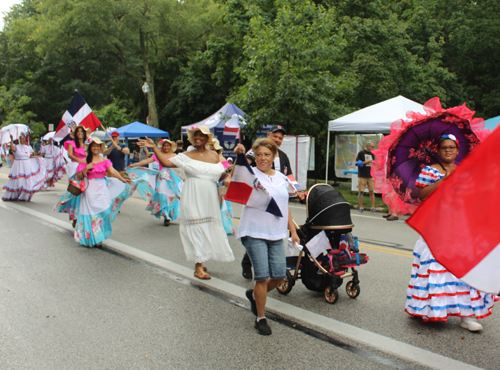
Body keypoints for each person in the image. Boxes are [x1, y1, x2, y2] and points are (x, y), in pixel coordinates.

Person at [405, 134, 497, 331]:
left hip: (459, 227)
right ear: (438, 151)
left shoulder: (464, 170)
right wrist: (444, 180)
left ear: (457, 150)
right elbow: (421, 195)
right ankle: (432, 310)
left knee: (463, 270)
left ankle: (467, 316)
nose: (448, 151)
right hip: (435, 227)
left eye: (452, 148)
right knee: (435, 270)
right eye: (444, 148)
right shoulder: (430, 171)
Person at [138, 125, 234, 280]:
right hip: (192, 195)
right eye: (195, 136)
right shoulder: (186, 155)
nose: (197, 138)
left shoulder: (215, 156)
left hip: (209, 196)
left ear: (206, 139)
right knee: (196, 226)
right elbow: (167, 163)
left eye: (201, 136)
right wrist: (155, 148)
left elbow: (219, 178)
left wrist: (228, 172)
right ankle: (198, 267)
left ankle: (201, 260)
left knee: (207, 227)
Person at [234, 139, 300, 335]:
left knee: (279, 275)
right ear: (254, 156)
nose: (262, 158)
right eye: (259, 154)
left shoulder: (281, 178)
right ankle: (260, 318)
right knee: (262, 276)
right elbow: (232, 177)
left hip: (276, 233)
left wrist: (293, 231)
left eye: (267, 154)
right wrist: (239, 155)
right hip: (253, 231)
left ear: (274, 156)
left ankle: (254, 295)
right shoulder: (249, 173)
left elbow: (284, 206)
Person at [241, 125, 293, 280]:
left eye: (280, 138)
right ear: (269, 135)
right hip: (259, 197)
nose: (277, 139)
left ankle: (266, 272)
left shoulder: (283, 156)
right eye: (275, 136)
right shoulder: (256, 151)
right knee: (258, 237)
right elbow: (244, 163)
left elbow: (288, 175)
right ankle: (248, 263)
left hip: (277, 195)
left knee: (269, 235)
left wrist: (297, 189)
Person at [74, 138, 135, 248]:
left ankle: (99, 234)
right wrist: (86, 169)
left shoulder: (105, 161)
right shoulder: (84, 162)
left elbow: (112, 171)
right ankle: (94, 238)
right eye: (93, 146)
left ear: (101, 147)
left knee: (105, 211)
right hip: (89, 190)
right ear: (90, 147)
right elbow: (78, 177)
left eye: (98, 146)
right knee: (91, 213)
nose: (96, 148)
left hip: (102, 188)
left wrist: (122, 179)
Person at [127, 138, 182, 226]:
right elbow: (146, 161)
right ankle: (165, 217)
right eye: (164, 145)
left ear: (170, 146)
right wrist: (134, 164)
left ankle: (170, 214)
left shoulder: (175, 155)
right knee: (162, 196)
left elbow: (181, 166)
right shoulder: (158, 155)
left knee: (172, 197)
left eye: (168, 145)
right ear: (162, 147)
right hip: (162, 179)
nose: (166, 147)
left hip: (172, 179)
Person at [53, 125, 90, 226]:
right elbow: (70, 154)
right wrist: (79, 160)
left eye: (81, 132)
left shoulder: (87, 144)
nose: (80, 133)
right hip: (75, 168)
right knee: (75, 192)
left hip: (85, 169)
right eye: (78, 132)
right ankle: (74, 216)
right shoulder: (71, 143)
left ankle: (82, 215)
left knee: (85, 193)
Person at [2, 134, 47, 202]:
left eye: (23, 138)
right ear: (19, 140)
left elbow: (30, 156)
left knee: (26, 180)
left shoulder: (28, 147)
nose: (22, 140)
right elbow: (12, 149)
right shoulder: (16, 146)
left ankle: (24, 196)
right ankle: (14, 195)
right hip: (18, 164)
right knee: (17, 180)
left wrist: (38, 158)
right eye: (21, 139)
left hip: (26, 165)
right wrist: (11, 140)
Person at [208, 139, 234, 235]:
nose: (211, 148)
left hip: (218, 187)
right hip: (209, 185)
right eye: (210, 146)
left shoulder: (222, 160)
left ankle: (218, 226)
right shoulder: (207, 158)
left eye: (213, 146)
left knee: (218, 207)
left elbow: (227, 174)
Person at [355, 141, 376, 214]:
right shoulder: (361, 153)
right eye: (372, 147)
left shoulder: (372, 154)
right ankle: (361, 207)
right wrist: (365, 162)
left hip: (370, 175)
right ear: (368, 146)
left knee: (371, 191)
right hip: (362, 175)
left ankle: (373, 207)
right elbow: (356, 163)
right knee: (361, 191)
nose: (373, 148)